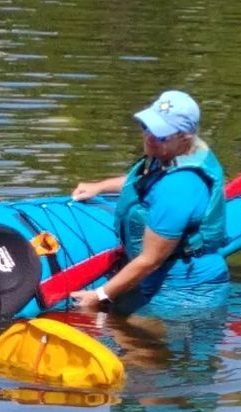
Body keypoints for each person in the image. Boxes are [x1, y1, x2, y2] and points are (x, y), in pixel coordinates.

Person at [69, 90, 229, 312]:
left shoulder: (180, 187)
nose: (149, 137)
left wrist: (98, 295)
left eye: (160, 134)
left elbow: (150, 259)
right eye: (146, 127)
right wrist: (100, 186)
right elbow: (149, 183)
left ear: (185, 136)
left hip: (183, 294)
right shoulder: (171, 154)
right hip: (158, 280)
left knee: (128, 338)